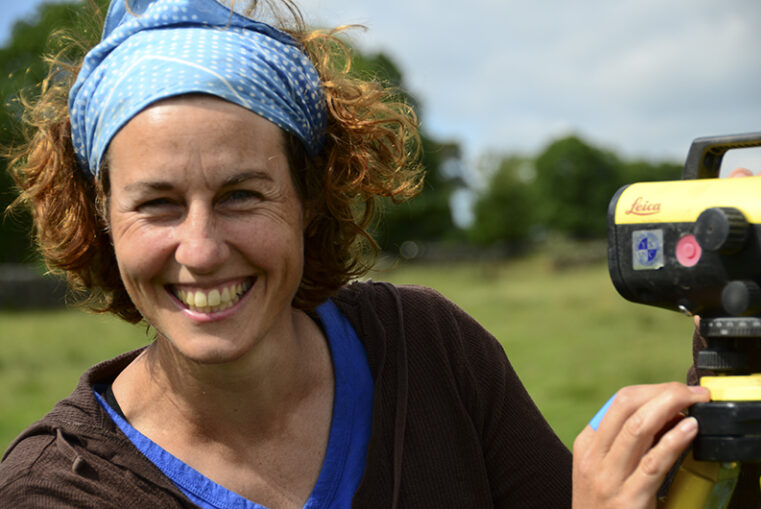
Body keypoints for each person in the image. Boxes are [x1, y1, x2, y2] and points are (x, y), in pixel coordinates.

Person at [0, 0, 709, 507]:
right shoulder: (59, 487)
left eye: (243, 194)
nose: (202, 247)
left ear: (309, 195)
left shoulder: (430, 352)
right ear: (101, 214)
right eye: (156, 203)